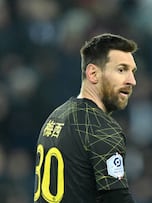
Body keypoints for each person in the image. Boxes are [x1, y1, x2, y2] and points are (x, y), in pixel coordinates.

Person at [33, 33, 138, 203]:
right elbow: (117, 198)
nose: (132, 81)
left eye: (132, 72)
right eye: (121, 70)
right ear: (93, 73)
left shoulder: (55, 117)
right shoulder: (100, 128)